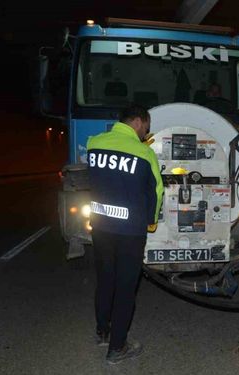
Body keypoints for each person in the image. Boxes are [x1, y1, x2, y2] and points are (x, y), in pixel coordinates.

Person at [86, 104, 163, 365]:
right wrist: (151, 223)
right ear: (139, 122)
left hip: (100, 225)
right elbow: (156, 191)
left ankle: (102, 332)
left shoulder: (94, 143)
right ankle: (117, 347)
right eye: (147, 127)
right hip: (129, 231)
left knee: (105, 279)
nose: (146, 132)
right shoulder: (144, 152)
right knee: (125, 287)